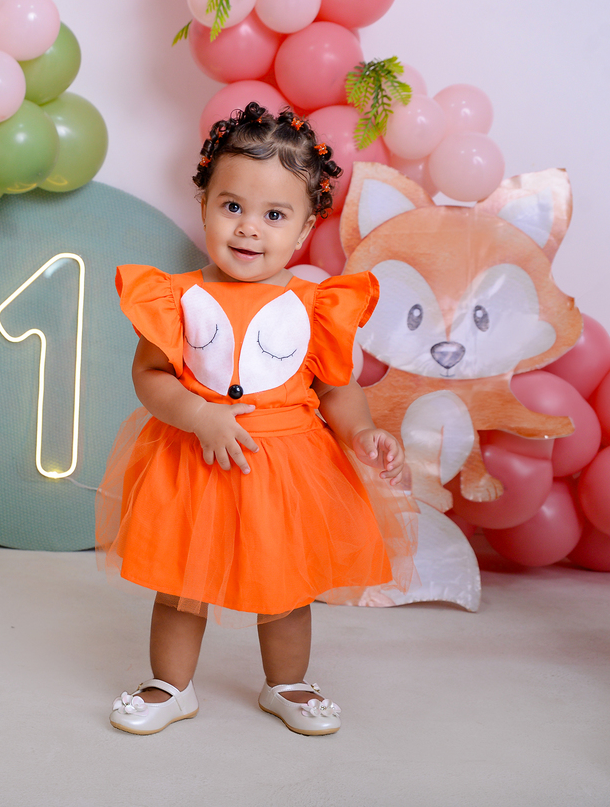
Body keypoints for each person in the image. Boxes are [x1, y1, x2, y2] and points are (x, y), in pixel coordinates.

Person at [96, 101, 416, 737]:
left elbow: (337, 389)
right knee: (181, 584)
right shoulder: (178, 297)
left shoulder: (314, 305)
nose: (248, 229)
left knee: (287, 586)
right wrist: (199, 413)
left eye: (274, 215)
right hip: (195, 464)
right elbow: (150, 377)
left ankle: (287, 683)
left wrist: (363, 431)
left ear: (303, 229)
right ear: (204, 204)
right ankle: (171, 685)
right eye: (232, 206)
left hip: (285, 470)